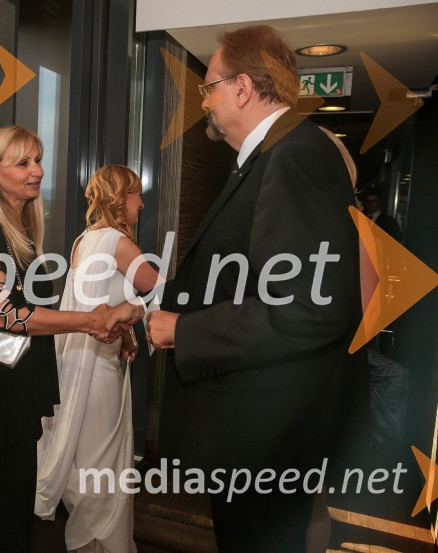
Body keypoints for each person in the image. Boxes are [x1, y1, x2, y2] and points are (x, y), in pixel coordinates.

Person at [146, 26, 363, 553]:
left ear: (242, 88)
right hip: (258, 426)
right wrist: (153, 308)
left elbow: (311, 306)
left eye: (209, 87)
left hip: (268, 434)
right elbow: (237, 275)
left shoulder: (294, 156)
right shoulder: (268, 157)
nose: (205, 102)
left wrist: (187, 330)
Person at [0, 127, 142, 552]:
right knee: (2, 508)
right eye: (23, 162)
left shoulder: (16, 224)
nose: (37, 170)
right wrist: (89, 321)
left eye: (38, 159)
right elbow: (4, 312)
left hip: (17, 378)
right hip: (0, 384)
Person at [35, 165, 162, 553]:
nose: (141, 203)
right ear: (120, 199)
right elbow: (159, 294)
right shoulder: (121, 244)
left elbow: (95, 308)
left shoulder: (82, 240)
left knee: (87, 458)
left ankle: (88, 542)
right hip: (100, 374)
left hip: (74, 363)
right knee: (105, 466)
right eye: (136, 194)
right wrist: (132, 319)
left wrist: (123, 331)